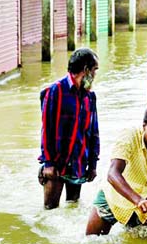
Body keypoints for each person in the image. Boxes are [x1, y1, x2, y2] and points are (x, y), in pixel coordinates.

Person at [85, 105, 147, 235]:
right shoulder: (129, 136)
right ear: (144, 127)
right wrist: (139, 200)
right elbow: (112, 173)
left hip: (143, 207)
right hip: (113, 199)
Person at [38, 48, 100, 210]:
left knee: (73, 207)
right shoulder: (55, 91)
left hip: (79, 162)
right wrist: (48, 163)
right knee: (50, 210)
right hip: (57, 163)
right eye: (94, 70)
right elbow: (47, 129)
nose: (95, 75)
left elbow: (93, 131)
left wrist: (93, 164)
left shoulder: (89, 96)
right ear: (86, 70)